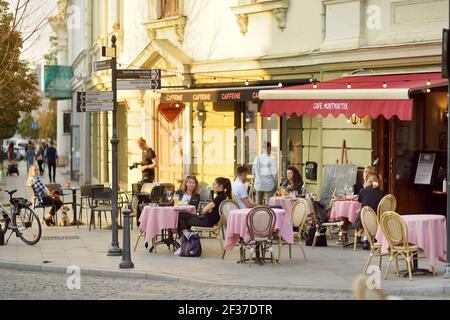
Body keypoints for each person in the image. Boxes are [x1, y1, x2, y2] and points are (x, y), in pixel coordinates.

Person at [176, 177, 232, 255]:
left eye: (214, 184)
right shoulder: (223, 196)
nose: (213, 186)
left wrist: (208, 209)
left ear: (220, 186)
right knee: (182, 217)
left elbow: (204, 210)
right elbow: (209, 209)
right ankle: (185, 243)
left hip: (207, 221)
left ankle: (184, 243)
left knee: (180, 217)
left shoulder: (219, 197)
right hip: (207, 219)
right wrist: (210, 209)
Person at [355, 174, 385, 250]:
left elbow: (359, 201)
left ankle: (365, 240)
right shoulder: (381, 193)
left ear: (369, 182)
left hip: (364, 219)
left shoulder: (363, 191)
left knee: (362, 213)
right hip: (377, 219)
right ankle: (375, 238)